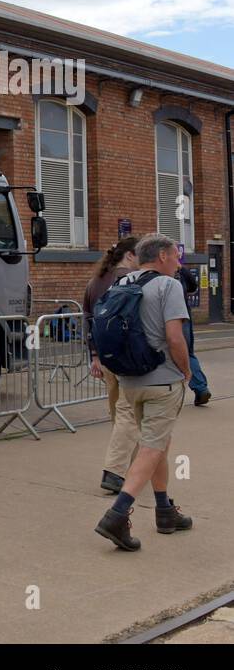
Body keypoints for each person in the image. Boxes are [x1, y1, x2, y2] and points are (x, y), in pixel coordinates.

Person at [94, 233, 193, 551]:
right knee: (152, 447)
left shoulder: (122, 282)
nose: (178, 262)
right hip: (162, 381)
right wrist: (186, 370)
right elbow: (175, 338)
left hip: (130, 381)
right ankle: (117, 514)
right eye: (176, 255)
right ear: (162, 255)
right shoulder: (168, 286)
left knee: (158, 443)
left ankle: (165, 511)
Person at [83, 236, 139, 494]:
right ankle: (117, 470)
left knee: (119, 414)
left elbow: (88, 318)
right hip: (128, 356)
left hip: (105, 357)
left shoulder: (96, 281)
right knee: (131, 414)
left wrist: (94, 354)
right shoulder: (131, 280)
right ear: (130, 255)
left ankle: (134, 467)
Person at [177, 265, 211, 405]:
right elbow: (192, 287)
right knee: (187, 353)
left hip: (163, 319)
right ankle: (201, 388)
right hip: (183, 316)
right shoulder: (181, 270)